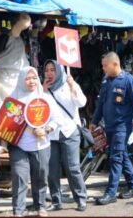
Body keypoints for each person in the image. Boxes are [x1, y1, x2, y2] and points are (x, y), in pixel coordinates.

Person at [91, 52, 133, 205]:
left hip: (122, 126)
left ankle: (111, 193)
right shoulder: (106, 81)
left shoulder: (128, 81)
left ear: (115, 64)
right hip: (109, 126)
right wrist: (94, 121)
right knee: (121, 155)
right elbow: (101, 104)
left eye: (105, 66)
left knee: (115, 158)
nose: (103, 68)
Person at [8, 66, 61, 217]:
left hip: (41, 144)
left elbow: (57, 119)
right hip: (19, 145)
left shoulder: (44, 98)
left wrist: (46, 130)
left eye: (34, 78)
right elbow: (5, 119)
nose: (31, 81)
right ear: (21, 80)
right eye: (27, 78)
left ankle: (41, 205)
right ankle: (18, 210)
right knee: (19, 176)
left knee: (40, 176)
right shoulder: (14, 98)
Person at [42, 60, 88, 212]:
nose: (49, 73)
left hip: (69, 132)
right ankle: (56, 201)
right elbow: (39, 111)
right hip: (51, 134)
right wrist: (42, 91)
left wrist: (73, 85)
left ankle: (81, 198)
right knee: (52, 169)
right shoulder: (44, 89)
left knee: (72, 167)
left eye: (52, 70)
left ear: (59, 71)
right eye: (47, 70)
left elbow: (82, 102)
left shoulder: (68, 85)